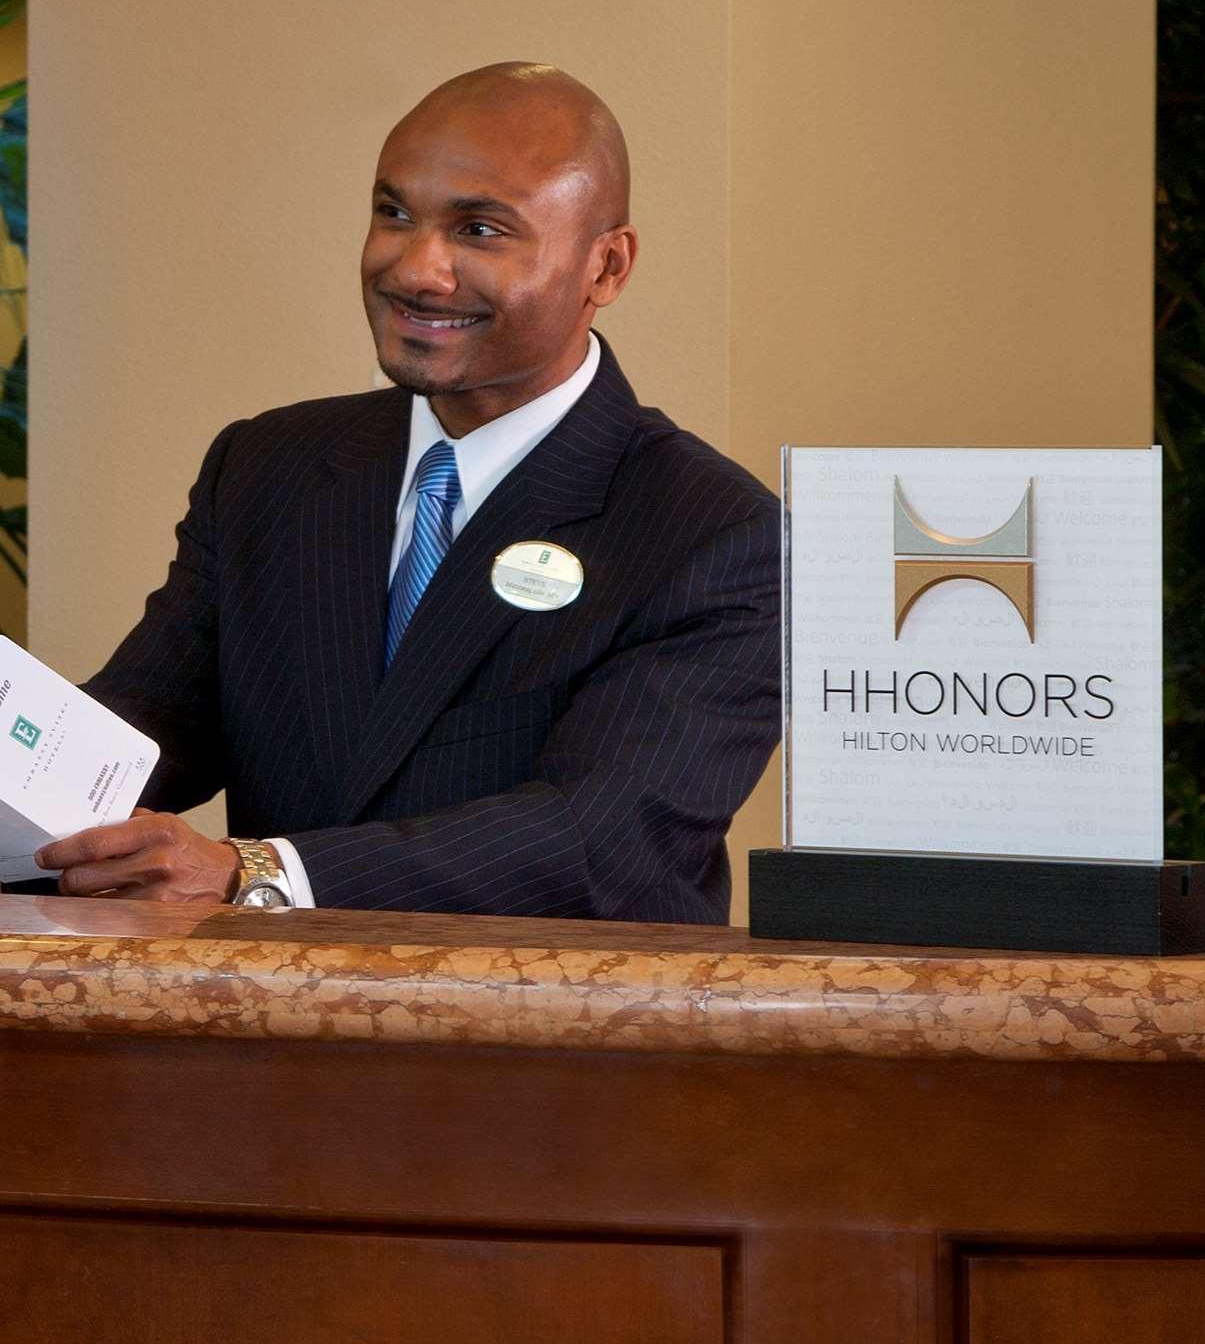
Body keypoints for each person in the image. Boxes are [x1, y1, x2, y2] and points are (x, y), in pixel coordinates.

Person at [39, 62, 780, 922]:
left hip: (550, 1041)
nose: (417, 269)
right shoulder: (267, 465)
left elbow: (599, 839)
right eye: (394, 213)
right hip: (269, 1039)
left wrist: (252, 873)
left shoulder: (716, 533)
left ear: (605, 268)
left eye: (480, 229)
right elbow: (138, 726)